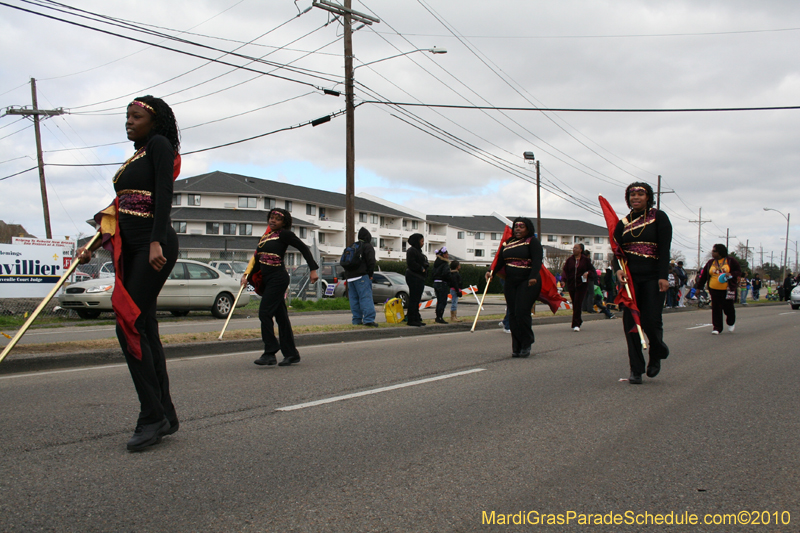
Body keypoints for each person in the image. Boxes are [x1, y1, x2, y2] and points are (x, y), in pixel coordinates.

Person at [76, 96, 182, 451]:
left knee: (128, 323)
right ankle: (164, 414)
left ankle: (151, 417)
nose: (129, 121)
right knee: (144, 326)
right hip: (132, 245)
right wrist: (92, 245)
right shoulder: (135, 157)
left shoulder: (160, 145)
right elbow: (117, 210)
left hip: (152, 244)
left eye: (136, 116)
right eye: (127, 116)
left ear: (154, 121)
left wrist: (156, 242)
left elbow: (164, 193)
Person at [614, 182, 672, 384]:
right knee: (630, 324)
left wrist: (663, 276)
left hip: (653, 278)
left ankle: (656, 351)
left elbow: (665, 249)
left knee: (651, 321)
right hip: (631, 280)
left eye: (640, 194)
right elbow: (617, 252)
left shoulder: (659, 217)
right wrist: (618, 269)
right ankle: (636, 369)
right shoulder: (622, 223)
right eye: (632, 194)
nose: (636, 197)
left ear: (648, 197)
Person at [244, 208, 319, 366]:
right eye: (271, 218)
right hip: (267, 279)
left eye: (277, 219)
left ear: (284, 223)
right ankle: (291, 354)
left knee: (264, 313)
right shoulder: (265, 237)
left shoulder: (284, 234)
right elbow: (258, 260)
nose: (273, 221)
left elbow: (303, 248)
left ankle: (270, 352)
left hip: (278, 278)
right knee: (281, 318)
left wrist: (313, 269)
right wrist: (247, 277)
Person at [486, 217, 543, 358]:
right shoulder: (508, 243)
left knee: (522, 312)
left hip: (528, 281)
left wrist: (533, 276)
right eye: (516, 226)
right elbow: (500, 262)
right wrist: (490, 272)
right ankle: (516, 346)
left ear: (528, 229)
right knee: (512, 314)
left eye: (521, 226)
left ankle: (526, 343)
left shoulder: (532, 241)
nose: (518, 229)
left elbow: (537, 261)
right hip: (511, 282)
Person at [695, 243, 742, 335]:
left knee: (728, 308)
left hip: (727, 289)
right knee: (716, 308)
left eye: (714, 251)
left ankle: (731, 322)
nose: (712, 253)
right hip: (714, 289)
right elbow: (704, 276)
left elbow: (738, 271)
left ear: (720, 252)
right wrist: (699, 288)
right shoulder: (710, 263)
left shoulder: (730, 261)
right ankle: (717, 328)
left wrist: (731, 274)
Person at [344, 227, 377, 327]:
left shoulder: (353, 246)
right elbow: (371, 262)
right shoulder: (367, 246)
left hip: (350, 277)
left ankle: (356, 320)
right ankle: (368, 320)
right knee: (365, 298)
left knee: (354, 299)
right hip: (361, 276)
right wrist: (370, 274)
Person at [562, 243, 592, 331]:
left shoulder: (585, 260)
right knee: (575, 304)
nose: (574, 249)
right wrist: (563, 280)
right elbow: (565, 271)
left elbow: (592, 270)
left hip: (581, 285)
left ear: (580, 250)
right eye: (574, 248)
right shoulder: (569, 260)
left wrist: (588, 273)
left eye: (576, 248)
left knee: (578, 303)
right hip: (571, 285)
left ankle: (576, 324)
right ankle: (578, 320)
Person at [405, 233, 428, 327]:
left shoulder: (419, 251)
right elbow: (411, 263)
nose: (423, 243)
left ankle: (416, 317)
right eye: (421, 241)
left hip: (419, 277)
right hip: (414, 276)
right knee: (414, 298)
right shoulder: (411, 251)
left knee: (417, 299)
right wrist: (421, 268)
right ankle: (411, 319)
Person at [432, 246, 451, 324]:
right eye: (447, 254)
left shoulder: (436, 263)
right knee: (443, 301)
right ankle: (440, 317)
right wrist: (449, 280)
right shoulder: (445, 264)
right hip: (442, 283)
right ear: (444, 255)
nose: (448, 256)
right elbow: (446, 274)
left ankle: (438, 316)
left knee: (439, 300)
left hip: (436, 283)